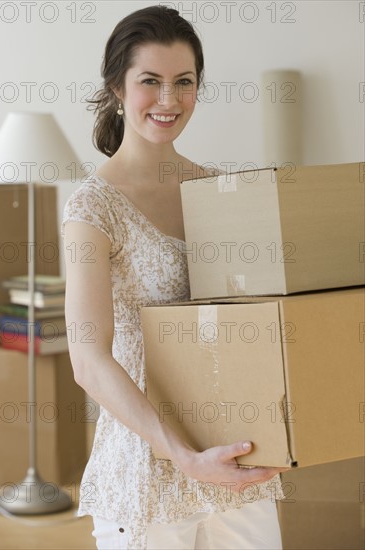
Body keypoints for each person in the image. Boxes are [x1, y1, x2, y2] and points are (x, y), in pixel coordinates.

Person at [62, 5, 286, 549]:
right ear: (117, 86)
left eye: (184, 82)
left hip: (233, 449)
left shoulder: (219, 188)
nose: (169, 100)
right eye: (150, 82)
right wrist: (180, 455)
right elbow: (89, 360)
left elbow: (256, 318)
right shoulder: (93, 209)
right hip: (146, 464)